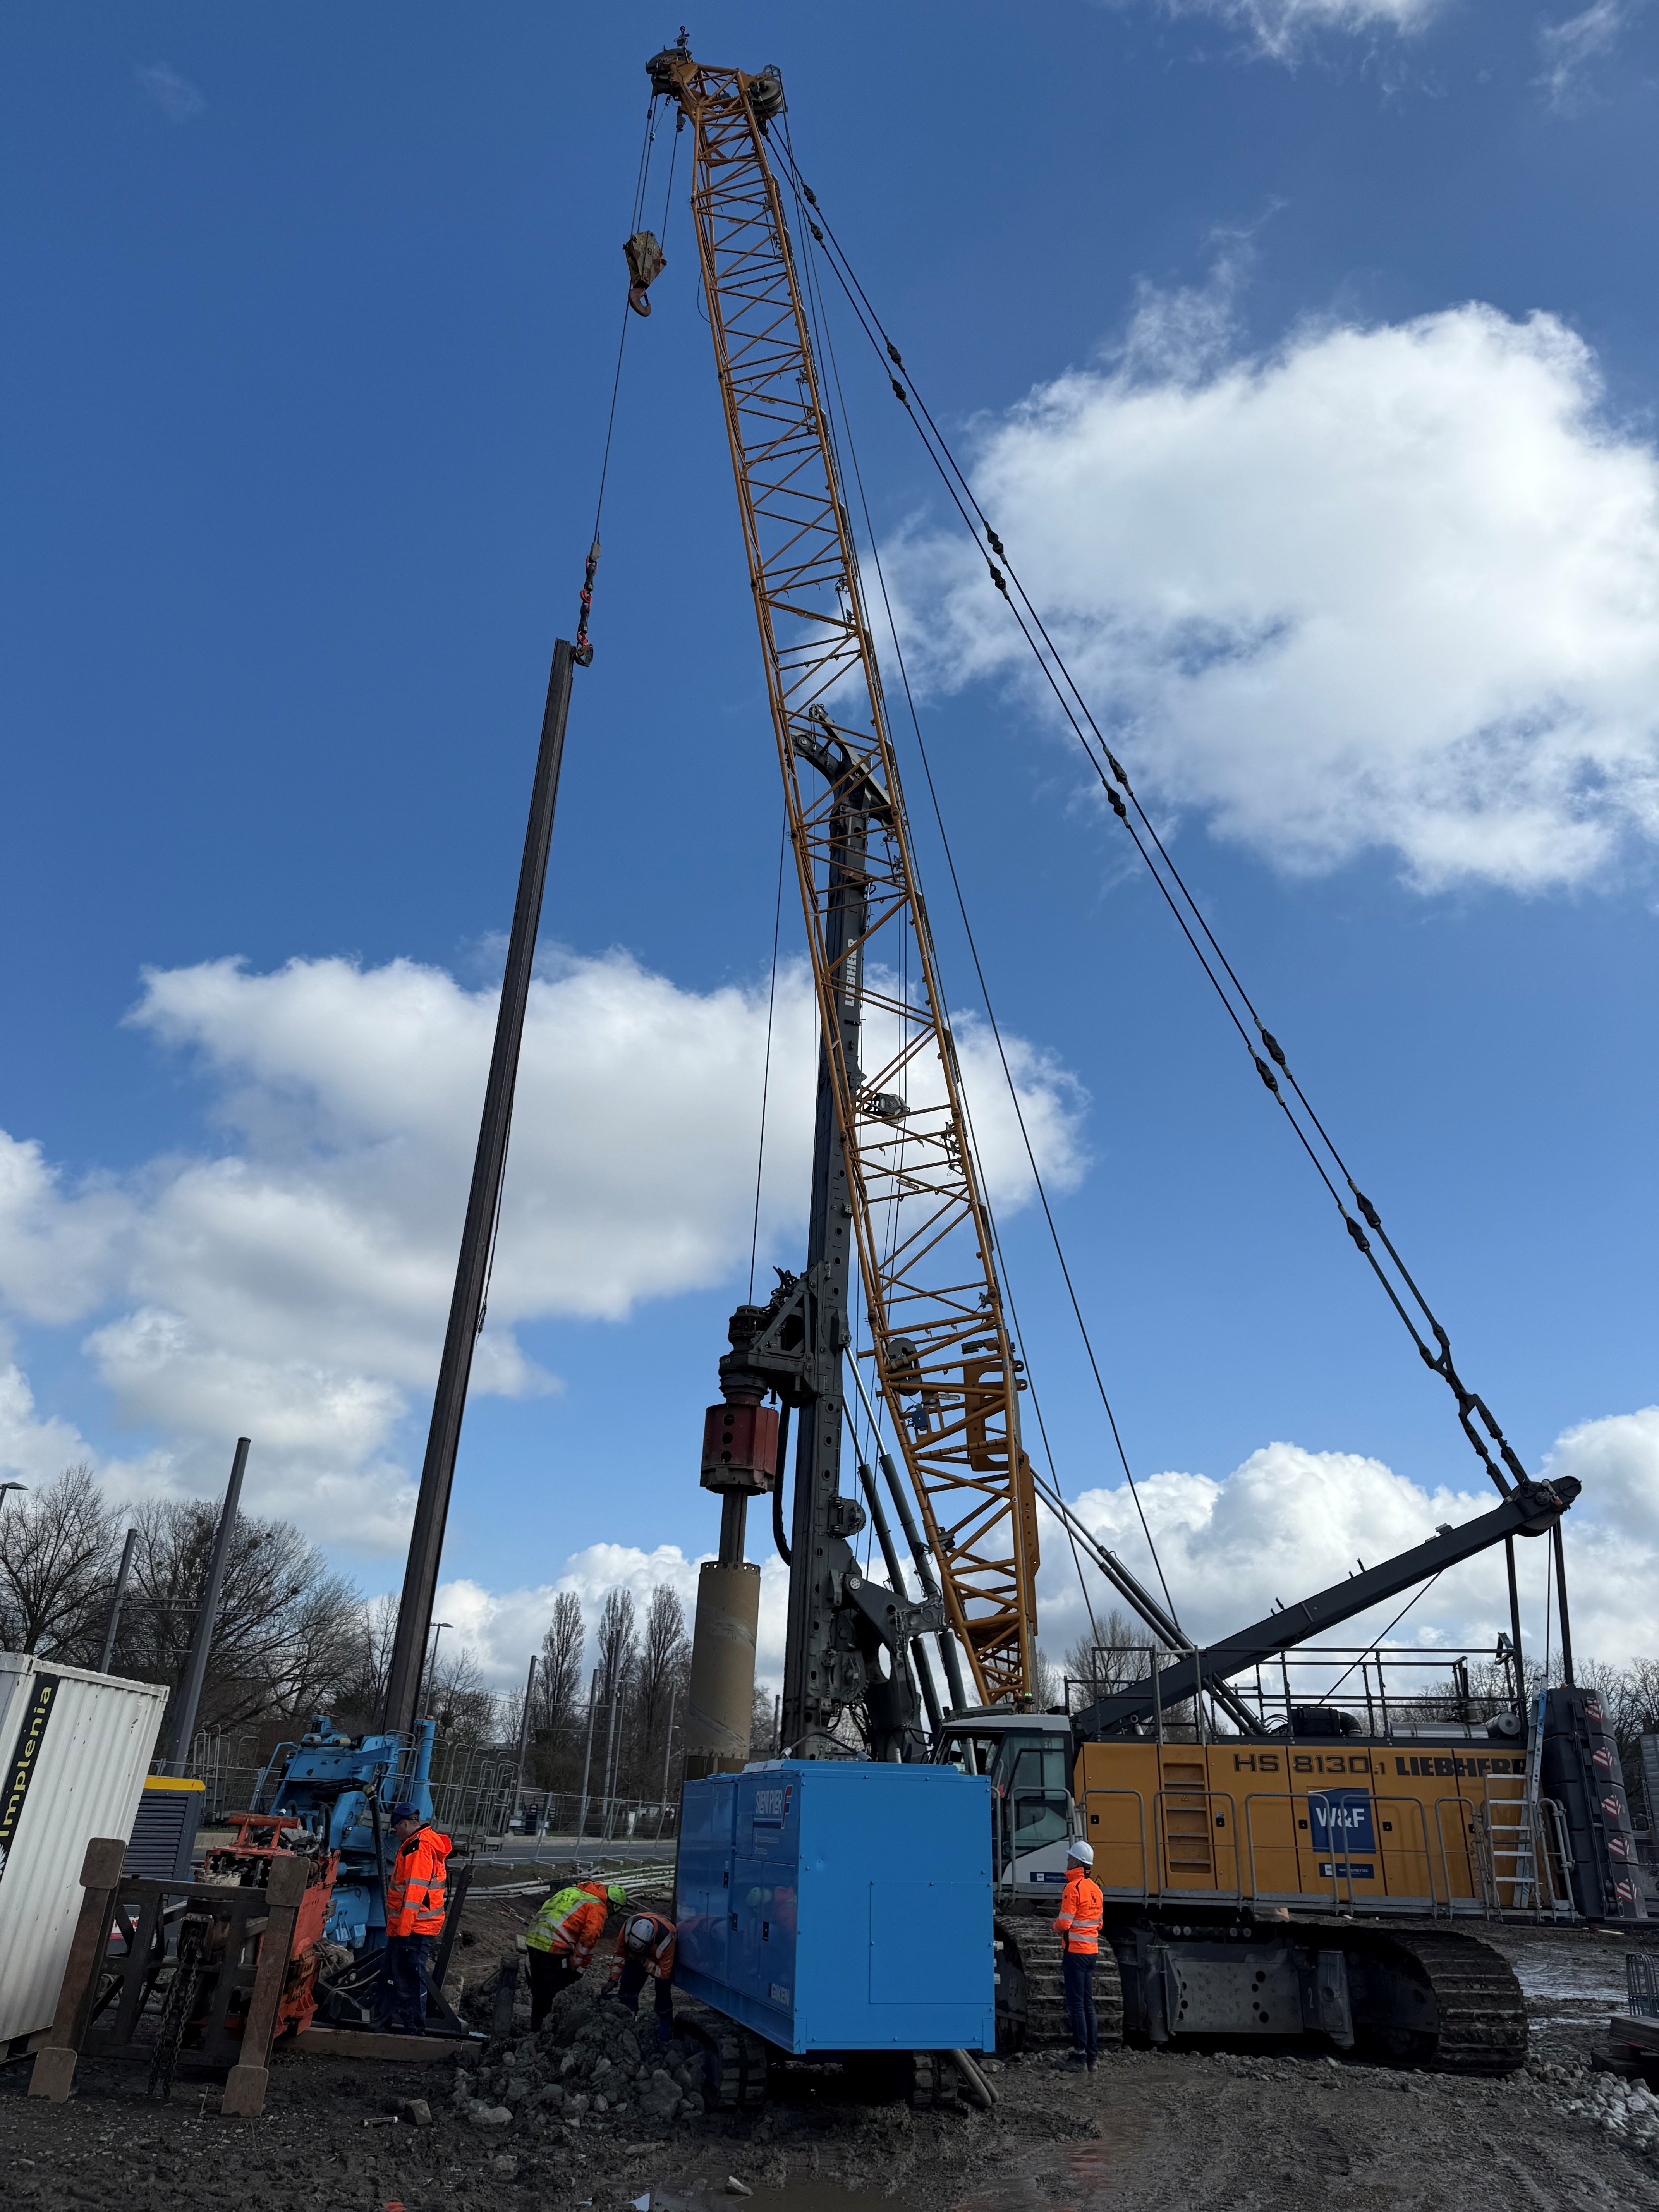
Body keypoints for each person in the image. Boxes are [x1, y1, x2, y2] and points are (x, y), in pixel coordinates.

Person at [377, 1801, 452, 2034]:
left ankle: (414, 2029)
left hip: (414, 1927)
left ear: (405, 1824)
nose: (395, 1832)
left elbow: (413, 1895)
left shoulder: (418, 1849)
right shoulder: (418, 1844)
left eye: (396, 1827)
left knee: (409, 1978)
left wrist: (403, 1931)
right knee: (395, 1975)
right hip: (413, 1926)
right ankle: (388, 2019)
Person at [525, 1877, 626, 2029]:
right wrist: (575, 1967)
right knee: (555, 1993)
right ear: (612, 1905)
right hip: (554, 1946)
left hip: (534, 1939)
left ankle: (536, 2029)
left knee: (539, 1992)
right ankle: (551, 2032)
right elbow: (589, 1940)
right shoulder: (597, 1906)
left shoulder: (572, 1891)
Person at [1053, 1839, 1104, 2071]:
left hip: (1075, 1953)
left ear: (1076, 1861)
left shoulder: (1073, 1888)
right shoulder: (1096, 1890)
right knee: (1087, 2004)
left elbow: (1064, 1924)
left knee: (1076, 2006)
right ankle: (1091, 2057)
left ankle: (1080, 2056)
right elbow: (1099, 1924)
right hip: (1091, 1952)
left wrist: (1053, 1926)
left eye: (1069, 1857)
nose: (1067, 1860)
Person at [607, 1907, 677, 2047]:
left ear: (649, 1944)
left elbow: (664, 1974)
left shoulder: (667, 1940)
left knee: (663, 1994)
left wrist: (643, 1962)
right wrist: (613, 1979)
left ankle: (665, 2032)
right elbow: (620, 1954)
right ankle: (627, 2024)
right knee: (628, 1990)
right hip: (638, 1957)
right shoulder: (628, 1927)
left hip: (659, 1960)